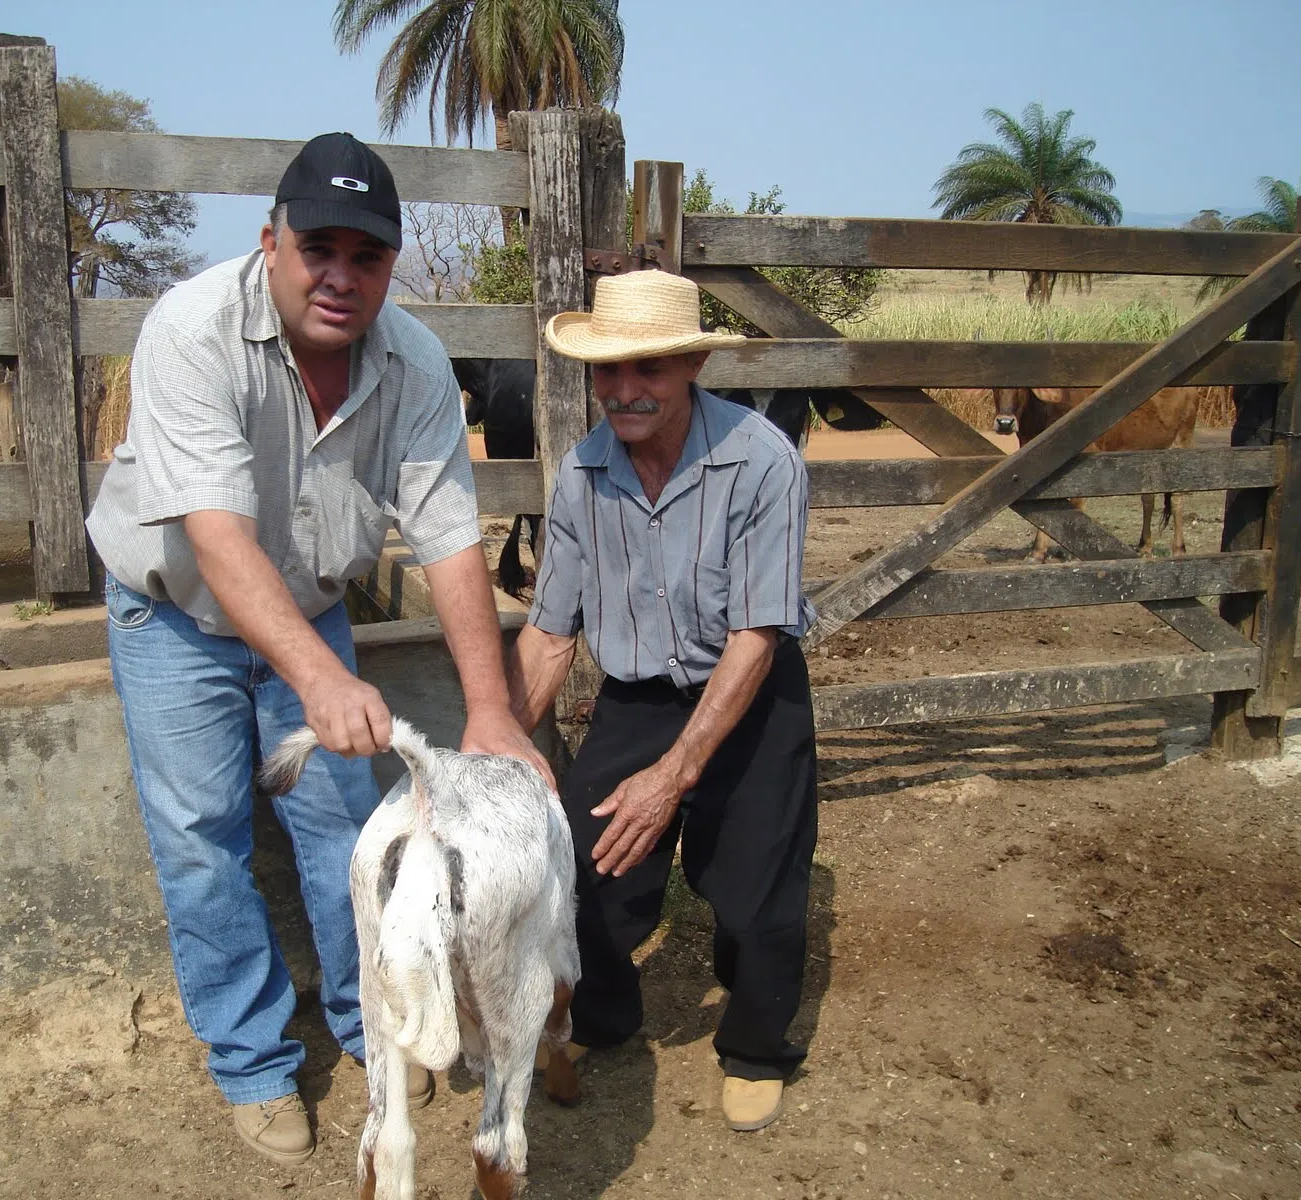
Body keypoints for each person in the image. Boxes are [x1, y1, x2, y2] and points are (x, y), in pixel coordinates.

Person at [85, 132, 548, 1165]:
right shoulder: (192, 331)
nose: (341, 276)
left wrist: (490, 709)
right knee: (202, 842)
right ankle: (251, 1065)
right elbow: (213, 530)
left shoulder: (414, 363)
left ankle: (371, 1025)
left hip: (309, 603)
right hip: (175, 613)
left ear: (388, 265)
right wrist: (318, 675)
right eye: (319, 248)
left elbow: (447, 540)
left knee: (349, 834)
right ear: (272, 242)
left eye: (367, 255)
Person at [505, 269, 819, 1133]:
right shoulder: (582, 474)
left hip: (750, 689)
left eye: (647, 369)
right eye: (607, 371)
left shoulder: (761, 461)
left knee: (758, 888)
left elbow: (757, 637)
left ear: (693, 367)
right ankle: (605, 1015)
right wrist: (492, 738)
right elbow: (548, 631)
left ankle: (756, 1047)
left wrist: (675, 775)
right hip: (639, 694)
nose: (623, 391)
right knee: (589, 863)